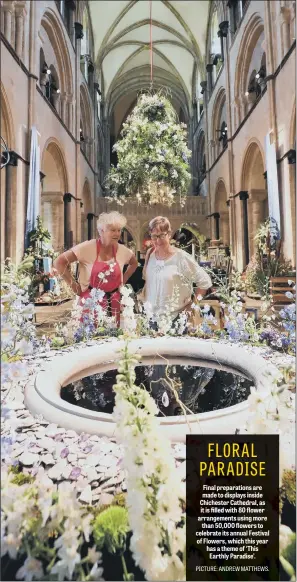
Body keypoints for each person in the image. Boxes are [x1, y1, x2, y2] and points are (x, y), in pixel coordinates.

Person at [53, 211, 138, 326]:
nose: (117, 234)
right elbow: (59, 262)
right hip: (89, 303)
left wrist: (122, 281)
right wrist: (75, 286)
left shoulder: (123, 251)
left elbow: (134, 263)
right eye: (113, 230)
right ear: (101, 231)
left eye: (119, 230)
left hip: (113, 304)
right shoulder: (87, 247)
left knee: (112, 339)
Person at [142, 216, 211, 324]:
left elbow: (205, 282)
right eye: (154, 236)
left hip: (176, 319)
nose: (158, 240)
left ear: (169, 234)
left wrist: (191, 306)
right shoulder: (150, 255)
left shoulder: (181, 257)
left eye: (162, 236)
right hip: (151, 319)